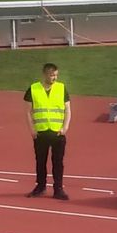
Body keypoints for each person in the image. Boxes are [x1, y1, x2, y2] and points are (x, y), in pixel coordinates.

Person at [24, 62, 71, 200]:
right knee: (40, 161)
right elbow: (27, 111)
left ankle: (58, 189)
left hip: (57, 133)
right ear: (45, 74)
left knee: (58, 162)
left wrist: (65, 127)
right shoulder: (33, 89)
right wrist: (32, 130)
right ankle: (41, 186)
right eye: (51, 75)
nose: (54, 78)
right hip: (41, 132)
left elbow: (67, 109)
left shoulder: (61, 88)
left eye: (56, 75)